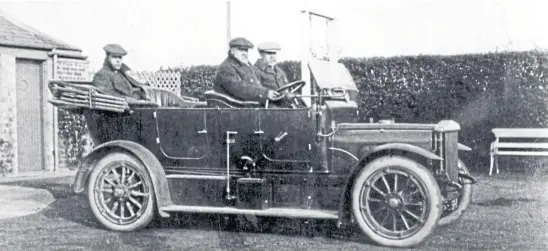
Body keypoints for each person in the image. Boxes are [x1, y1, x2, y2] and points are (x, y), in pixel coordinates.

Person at [213, 37, 294, 105]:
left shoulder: (246, 66)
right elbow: (239, 88)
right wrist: (265, 93)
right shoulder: (226, 68)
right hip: (242, 109)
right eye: (241, 50)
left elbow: (257, 86)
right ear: (232, 51)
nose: (245, 53)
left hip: (253, 106)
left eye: (246, 50)